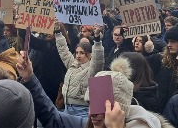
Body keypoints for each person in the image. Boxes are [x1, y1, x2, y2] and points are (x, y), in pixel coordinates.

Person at [16, 51, 174, 128]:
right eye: (91, 103)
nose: (93, 112)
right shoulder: (89, 124)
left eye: (103, 106)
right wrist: (30, 78)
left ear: (120, 108)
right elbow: (53, 117)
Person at [54, 22, 104, 117]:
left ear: (89, 55)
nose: (78, 55)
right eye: (76, 53)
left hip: (81, 111)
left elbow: (98, 60)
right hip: (66, 108)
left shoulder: (92, 70)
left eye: (82, 53)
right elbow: (63, 50)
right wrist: (57, 31)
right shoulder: (72, 64)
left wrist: (97, 39)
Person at [147, 24, 178, 112]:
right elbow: (140, 63)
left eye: (173, 41)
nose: (169, 45)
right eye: (168, 41)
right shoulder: (160, 59)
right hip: (158, 109)